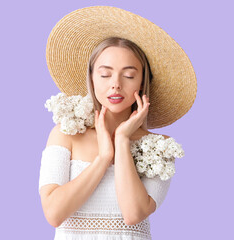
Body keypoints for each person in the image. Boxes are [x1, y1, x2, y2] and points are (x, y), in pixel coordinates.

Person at [38, 6, 196, 240]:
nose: (116, 84)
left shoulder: (159, 147)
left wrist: (121, 141)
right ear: (91, 77)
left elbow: (134, 214)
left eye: (129, 75)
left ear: (142, 82)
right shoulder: (66, 133)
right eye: (105, 74)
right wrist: (103, 158)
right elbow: (54, 213)